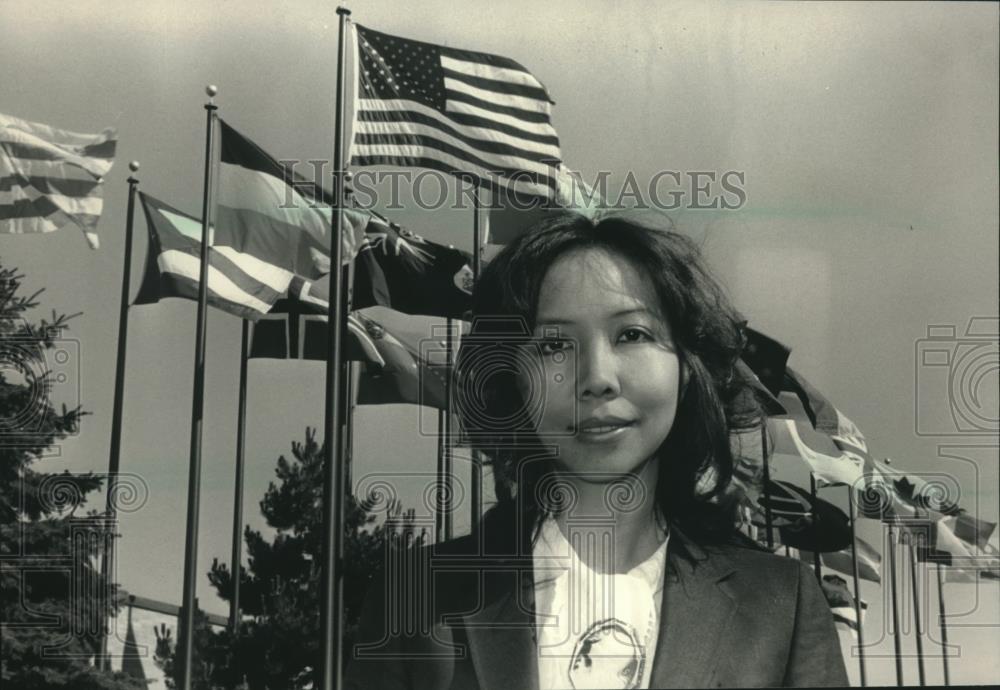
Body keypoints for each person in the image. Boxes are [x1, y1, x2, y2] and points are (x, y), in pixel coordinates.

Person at [345, 212, 848, 689]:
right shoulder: (414, 598)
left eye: (632, 334)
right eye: (553, 346)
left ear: (686, 367)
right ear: (513, 380)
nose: (597, 379)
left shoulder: (783, 606)